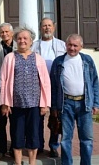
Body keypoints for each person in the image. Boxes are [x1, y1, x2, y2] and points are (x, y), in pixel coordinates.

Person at [0, 26, 51, 165]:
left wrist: (45, 104)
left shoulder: (38, 58)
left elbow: (45, 82)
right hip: (16, 104)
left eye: (25, 38)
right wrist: (5, 102)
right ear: (16, 40)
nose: (22, 41)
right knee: (17, 134)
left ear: (31, 41)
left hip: (35, 104)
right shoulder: (10, 57)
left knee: (33, 135)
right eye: (19, 38)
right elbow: (3, 81)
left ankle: (32, 162)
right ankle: (17, 162)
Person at [50, 34, 99, 165]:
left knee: (87, 139)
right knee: (66, 138)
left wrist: (96, 103)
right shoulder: (58, 62)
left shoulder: (87, 60)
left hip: (85, 104)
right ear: (65, 45)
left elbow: (95, 82)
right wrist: (54, 107)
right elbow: (54, 87)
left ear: (81, 47)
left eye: (75, 45)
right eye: (69, 45)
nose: (72, 48)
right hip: (66, 104)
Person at [31, 18, 66, 157]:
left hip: (56, 86)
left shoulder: (62, 45)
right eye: (44, 26)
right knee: (37, 117)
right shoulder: (34, 46)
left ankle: (53, 146)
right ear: (40, 28)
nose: (47, 28)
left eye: (49, 25)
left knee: (55, 117)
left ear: (54, 27)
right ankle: (38, 144)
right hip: (38, 85)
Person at [0, 23, 17, 160]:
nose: (4, 34)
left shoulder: (19, 47)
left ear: (12, 33)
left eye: (7, 31)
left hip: (16, 90)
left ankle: (15, 148)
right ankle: (0, 149)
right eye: (1, 32)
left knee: (15, 121)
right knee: (0, 122)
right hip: (0, 89)